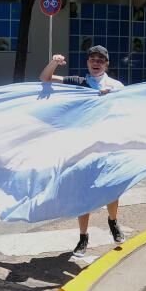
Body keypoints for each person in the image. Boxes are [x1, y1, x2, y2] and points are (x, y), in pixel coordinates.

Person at [39, 45, 126, 257]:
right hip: (82, 146)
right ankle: (83, 237)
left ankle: (113, 221)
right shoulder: (79, 82)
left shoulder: (117, 86)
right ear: (88, 63)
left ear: (107, 64)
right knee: (83, 192)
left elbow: (125, 112)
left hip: (107, 145)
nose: (96, 63)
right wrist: (54, 62)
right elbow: (45, 78)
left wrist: (110, 98)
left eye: (100, 60)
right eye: (92, 59)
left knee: (111, 189)